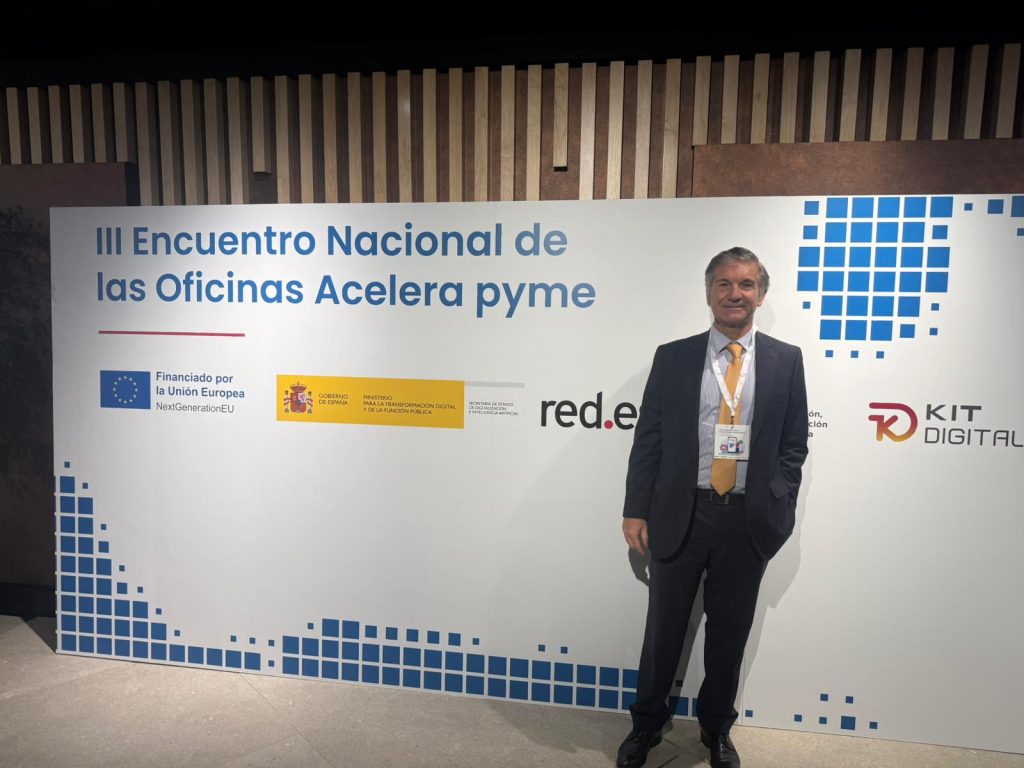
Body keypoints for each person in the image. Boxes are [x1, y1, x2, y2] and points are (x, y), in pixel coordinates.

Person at [616, 247, 808, 768]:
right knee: (663, 630)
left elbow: (793, 445)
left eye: (746, 284)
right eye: (724, 283)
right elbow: (649, 438)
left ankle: (716, 729)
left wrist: (780, 500)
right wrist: (636, 508)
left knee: (729, 633)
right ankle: (646, 724)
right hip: (682, 512)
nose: (734, 293)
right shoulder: (674, 357)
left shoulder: (786, 360)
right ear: (709, 293)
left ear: (760, 296)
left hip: (748, 519)